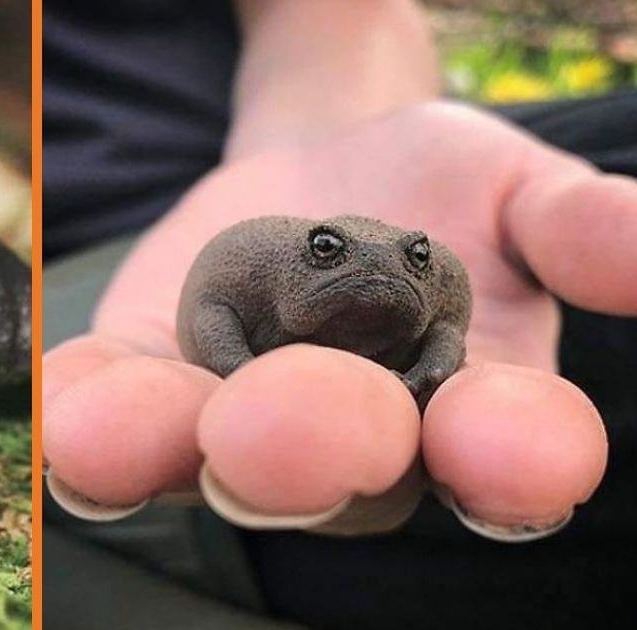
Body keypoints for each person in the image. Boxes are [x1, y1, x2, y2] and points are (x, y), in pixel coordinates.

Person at [42, 1, 637, 628]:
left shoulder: (436, 280)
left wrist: (342, 119)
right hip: (92, 275)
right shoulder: (249, 263)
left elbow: (444, 333)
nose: (386, 272)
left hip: (286, 136)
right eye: (327, 255)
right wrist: (236, 367)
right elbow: (213, 311)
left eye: (414, 260)